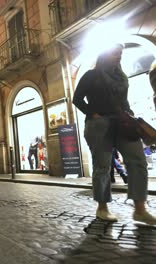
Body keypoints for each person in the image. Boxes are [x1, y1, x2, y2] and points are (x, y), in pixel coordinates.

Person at [73, 44, 156, 225]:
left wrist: (130, 116)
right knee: (102, 167)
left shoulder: (121, 76)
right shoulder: (91, 75)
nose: (118, 56)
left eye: (120, 53)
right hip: (99, 124)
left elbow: (123, 100)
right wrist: (93, 114)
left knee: (138, 161)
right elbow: (77, 98)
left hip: (123, 122)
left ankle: (140, 209)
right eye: (114, 53)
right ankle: (102, 208)